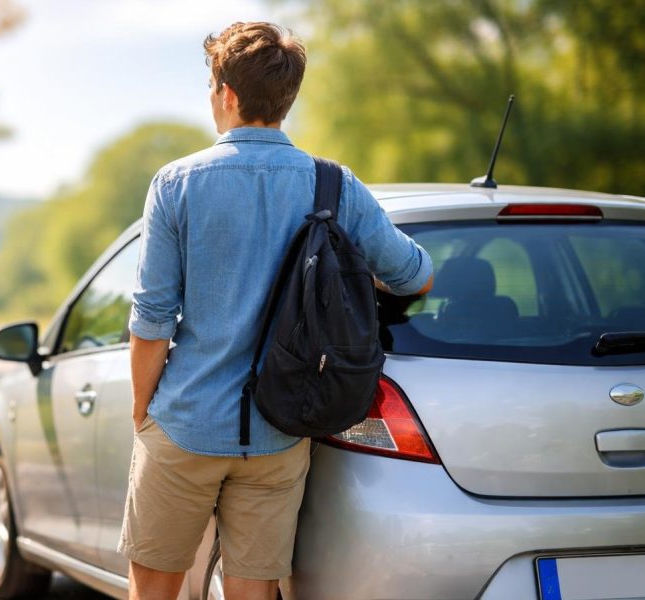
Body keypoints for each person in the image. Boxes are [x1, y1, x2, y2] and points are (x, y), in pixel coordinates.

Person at [119, 22, 434, 600]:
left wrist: (143, 412)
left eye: (212, 87)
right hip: (281, 431)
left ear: (228, 94)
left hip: (186, 421)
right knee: (254, 590)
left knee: (154, 588)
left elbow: (152, 317)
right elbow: (415, 275)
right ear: (286, 98)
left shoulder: (177, 182)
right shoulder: (334, 186)